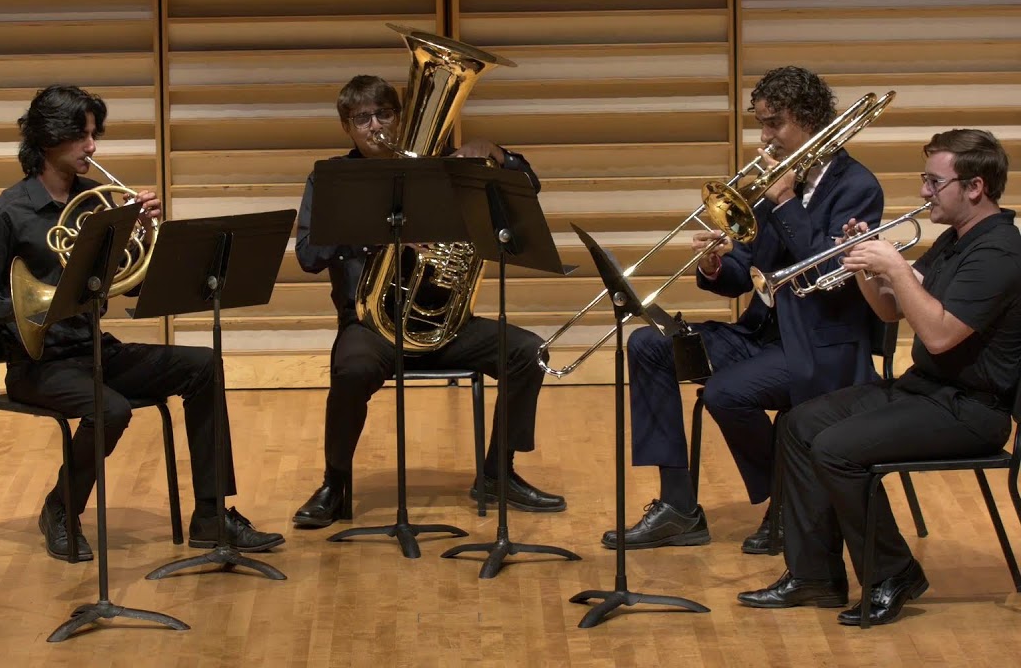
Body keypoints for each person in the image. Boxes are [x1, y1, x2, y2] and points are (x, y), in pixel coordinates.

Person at [0, 85, 283, 560]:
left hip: (95, 350)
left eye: (94, 135)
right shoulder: (5, 212)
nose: (92, 147)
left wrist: (145, 234)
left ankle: (212, 515)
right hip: (38, 364)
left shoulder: (97, 205)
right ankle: (61, 508)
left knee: (203, 365)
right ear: (48, 138)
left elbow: (130, 286)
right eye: (81, 136)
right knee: (111, 410)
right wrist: (35, 306)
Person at [738, 129, 1020, 626]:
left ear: (975, 187)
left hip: (972, 409)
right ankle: (814, 575)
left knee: (836, 449)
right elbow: (890, 311)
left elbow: (939, 335)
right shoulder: (956, 240)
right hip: (926, 390)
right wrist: (865, 267)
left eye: (934, 182)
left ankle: (894, 572)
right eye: (925, 179)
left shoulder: (999, 252)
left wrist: (896, 266)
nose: (924, 192)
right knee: (800, 424)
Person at [605, 66, 885, 553]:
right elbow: (745, 273)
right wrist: (716, 264)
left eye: (775, 123)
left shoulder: (857, 186)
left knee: (726, 393)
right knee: (649, 344)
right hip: (763, 337)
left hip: (823, 348)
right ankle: (678, 507)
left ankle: (793, 501)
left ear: (809, 118)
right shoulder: (775, 183)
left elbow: (828, 272)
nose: (765, 138)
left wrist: (786, 202)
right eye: (761, 124)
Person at [291, 74, 564, 529]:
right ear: (346, 127)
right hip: (370, 326)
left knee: (528, 352)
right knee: (351, 371)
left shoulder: (443, 169)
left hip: (445, 324)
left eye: (385, 114)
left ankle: (497, 474)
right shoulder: (330, 179)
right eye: (363, 118)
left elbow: (528, 187)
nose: (376, 126)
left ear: (399, 118)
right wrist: (379, 234)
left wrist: (495, 153)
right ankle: (334, 485)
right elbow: (308, 256)